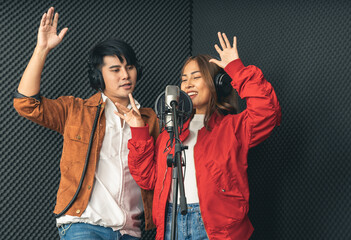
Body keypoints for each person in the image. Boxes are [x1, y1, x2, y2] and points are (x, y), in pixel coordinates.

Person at [115, 32, 282, 239]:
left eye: (196, 77)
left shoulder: (233, 128)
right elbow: (147, 179)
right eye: (184, 79)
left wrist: (236, 68)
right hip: (170, 223)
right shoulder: (169, 135)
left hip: (216, 227)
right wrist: (139, 130)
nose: (188, 84)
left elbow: (267, 112)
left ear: (217, 84)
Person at [13, 7, 158, 239]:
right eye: (115, 69)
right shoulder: (76, 110)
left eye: (129, 67)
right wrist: (42, 49)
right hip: (84, 224)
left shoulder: (152, 120)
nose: (125, 75)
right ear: (99, 75)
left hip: (131, 230)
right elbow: (26, 104)